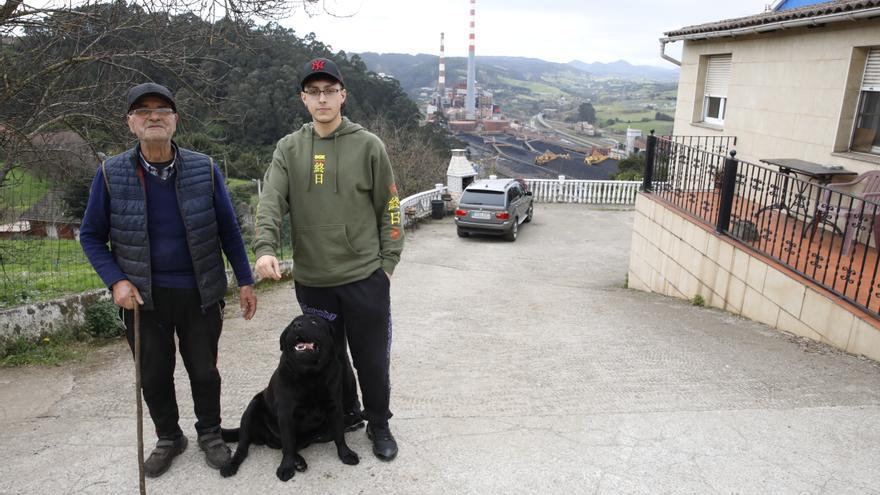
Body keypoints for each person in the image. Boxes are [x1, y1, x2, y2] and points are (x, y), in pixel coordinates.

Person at [79, 82, 257, 477]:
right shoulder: (110, 174)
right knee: (154, 374)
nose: (154, 116)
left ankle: (210, 433)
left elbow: (228, 229)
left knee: (204, 370)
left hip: (199, 292)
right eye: (143, 111)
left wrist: (245, 280)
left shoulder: (204, 168)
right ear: (130, 124)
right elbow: (90, 234)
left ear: (175, 120)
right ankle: (168, 437)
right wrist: (116, 281)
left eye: (162, 109)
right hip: (143, 298)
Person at [253, 57, 404, 461]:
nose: (322, 98)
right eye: (313, 92)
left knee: (371, 358)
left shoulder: (369, 145)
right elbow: (271, 201)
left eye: (329, 90)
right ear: (304, 98)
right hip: (314, 280)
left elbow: (389, 207)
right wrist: (265, 247)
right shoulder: (290, 148)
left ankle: (379, 422)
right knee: (328, 356)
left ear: (342, 95)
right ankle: (345, 412)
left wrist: (387, 265)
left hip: (363, 277)